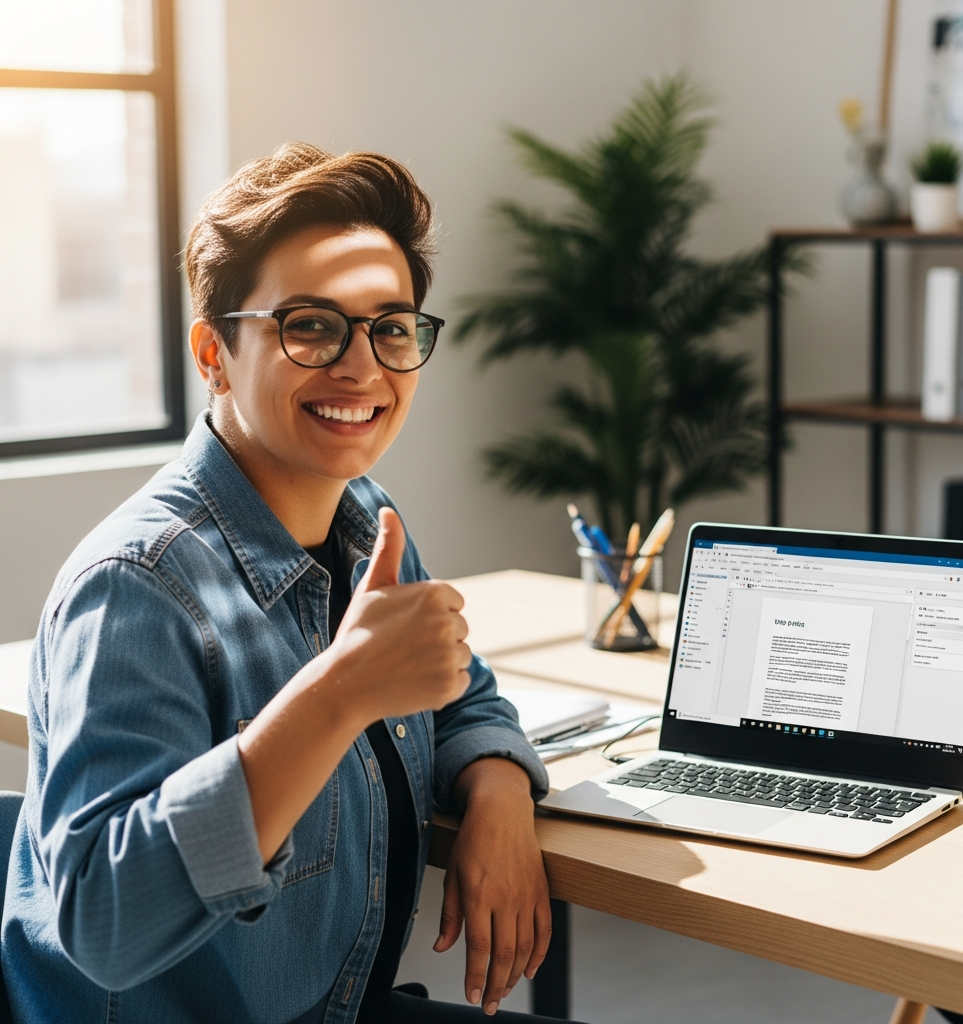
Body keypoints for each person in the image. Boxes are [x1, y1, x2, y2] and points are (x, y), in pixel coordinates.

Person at [2, 143, 585, 1024]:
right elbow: (104, 921)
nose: (362, 367)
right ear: (214, 353)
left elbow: (458, 691)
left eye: (392, 328)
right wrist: (339, 694)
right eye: (311, 325)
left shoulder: (366, 520)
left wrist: (499, 787)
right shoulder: (135, 587)